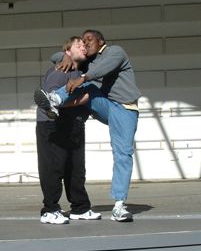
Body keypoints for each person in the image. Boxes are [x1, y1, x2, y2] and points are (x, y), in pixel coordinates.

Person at [34, 29, 140, 222]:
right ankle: (55, 99)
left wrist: (81, 77)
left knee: (123, 153)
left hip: (125, 109)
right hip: (105, 105)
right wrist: (64, 57)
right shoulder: (88, 62)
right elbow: (55, 55)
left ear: (101, 41)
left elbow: (101, 69)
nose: (86, 43)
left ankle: (119, 206)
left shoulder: (115, 52)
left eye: (89, 40)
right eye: (82, 41)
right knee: (89, 88)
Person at [36, 36, 101, 225]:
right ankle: (50, 210)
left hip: (74, 123)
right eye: (78, 45)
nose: (83, 47)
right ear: (67, 52)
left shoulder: (82, 71)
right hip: (52, 125)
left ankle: (80, 208)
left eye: (84, 45)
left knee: (76, 169)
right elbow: (50, 100)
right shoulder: (61, 70)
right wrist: (83, 100)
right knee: (53, 168)